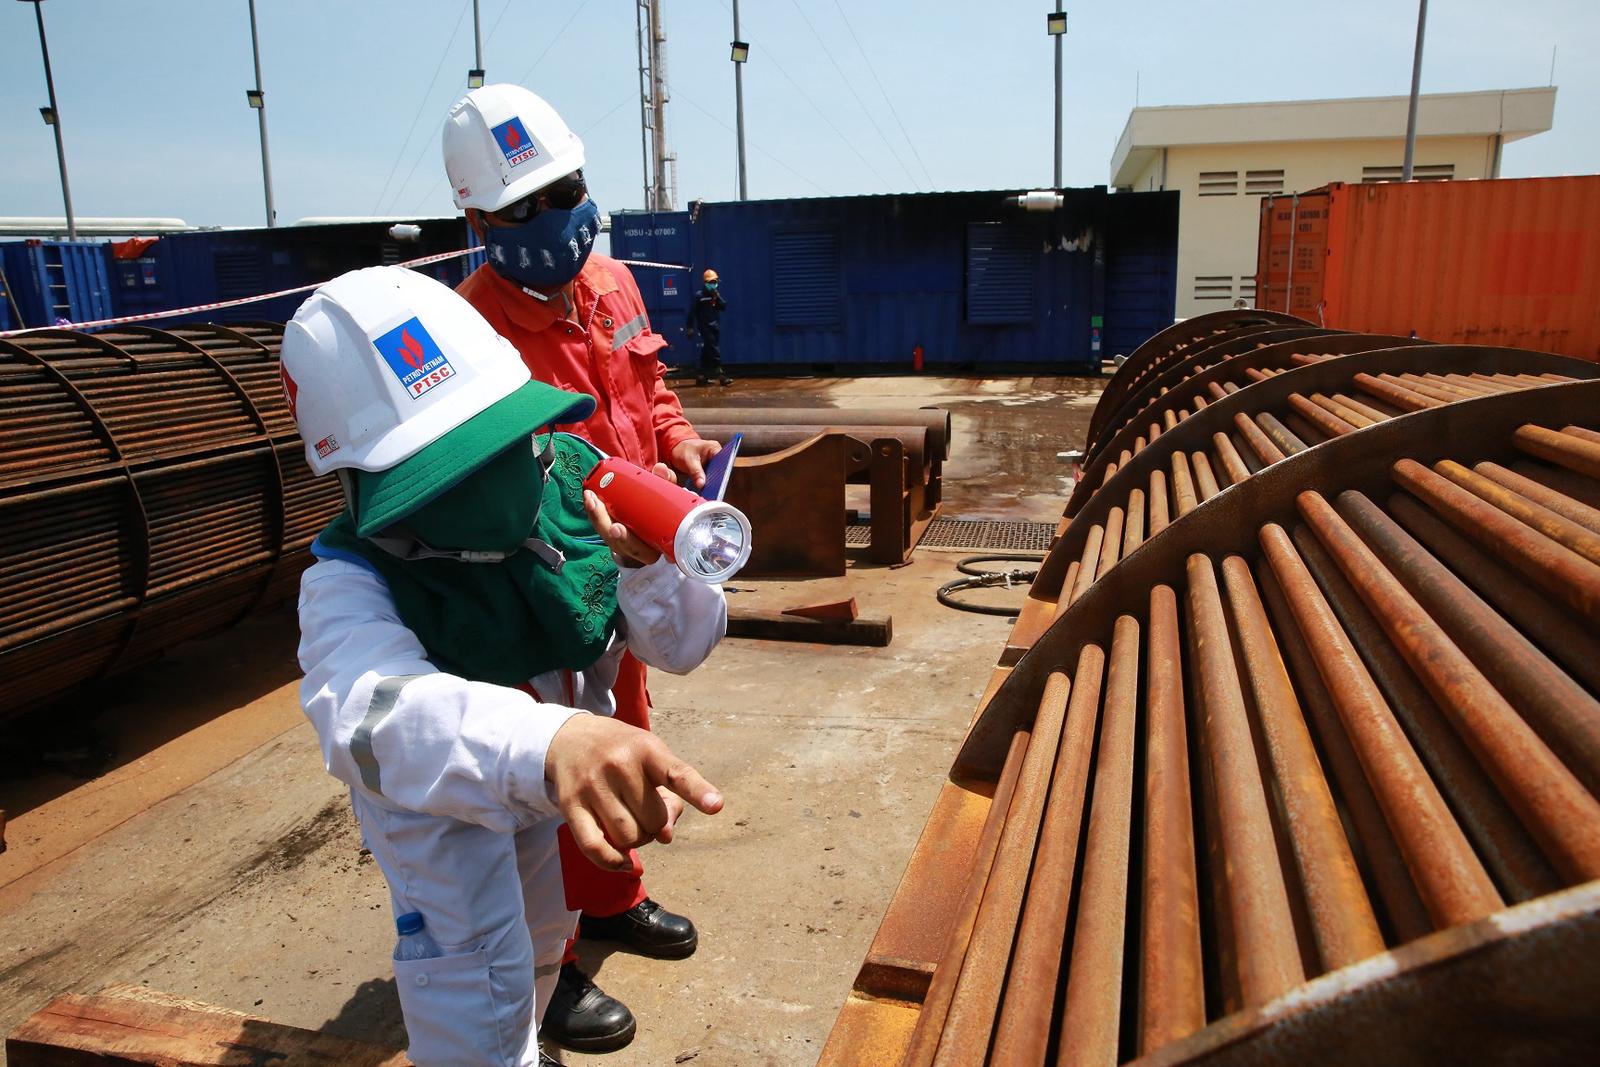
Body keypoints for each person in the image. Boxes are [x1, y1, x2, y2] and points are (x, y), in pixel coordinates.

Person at [286, 265, 727, 1066]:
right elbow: (370, 717)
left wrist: (648, 568)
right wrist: (545, 742)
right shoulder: (350, 580)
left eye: (501, 437)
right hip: (445, 795)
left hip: (547, 776)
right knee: (473, 964)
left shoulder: (570, 487)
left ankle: (536, 1019)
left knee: (544, 922)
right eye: (449, 463)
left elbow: (685, 645)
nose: (494, 473)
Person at [441, 83, 722, 1053]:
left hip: (634, 557)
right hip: (546, 574)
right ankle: (547, 961)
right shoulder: (467, 331)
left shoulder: (611, 285)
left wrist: (677, 443)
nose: (556, 216)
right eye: (525, 206)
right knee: (555, 756)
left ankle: (611, 897)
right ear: (479, 221)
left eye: (565, 190)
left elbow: (652, 387)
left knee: (626, 727)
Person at [686, 268, 730, 386]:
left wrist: (717, 297)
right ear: (705, 283)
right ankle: (721, 375)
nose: (713, 285)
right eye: (710, 282)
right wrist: (689, 327)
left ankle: (701, 376)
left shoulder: (715, 296)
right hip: (705, 328)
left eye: (715, 282)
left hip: (715, 327)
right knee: (714, 351)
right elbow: (692, 313)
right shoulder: (699, 296)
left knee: (707, 351)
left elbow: (723, 306)